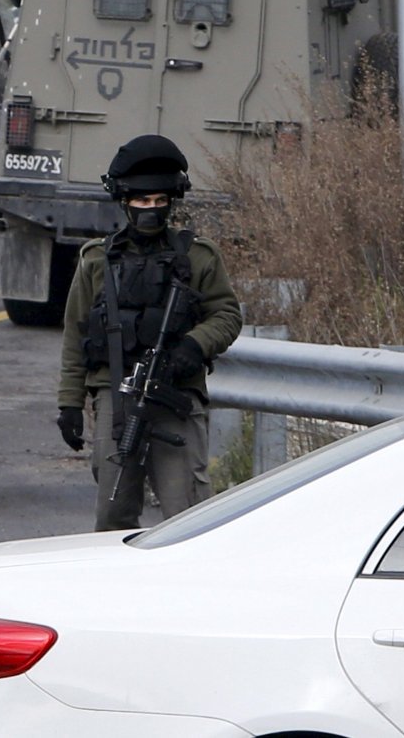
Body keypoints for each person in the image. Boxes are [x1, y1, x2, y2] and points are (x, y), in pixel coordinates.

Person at [55, 134, 243, 533]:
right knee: (113, 512)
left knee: (187, 513)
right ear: (125, 202)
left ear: (171, 202)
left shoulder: (197, 256)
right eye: (142, 201)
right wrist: (69, 403)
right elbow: (76, 334)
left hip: (176, 398)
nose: (151, 211)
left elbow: (226, 314)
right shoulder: (97, 261)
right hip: (115, 398)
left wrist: (195, 343)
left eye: (160, 202)